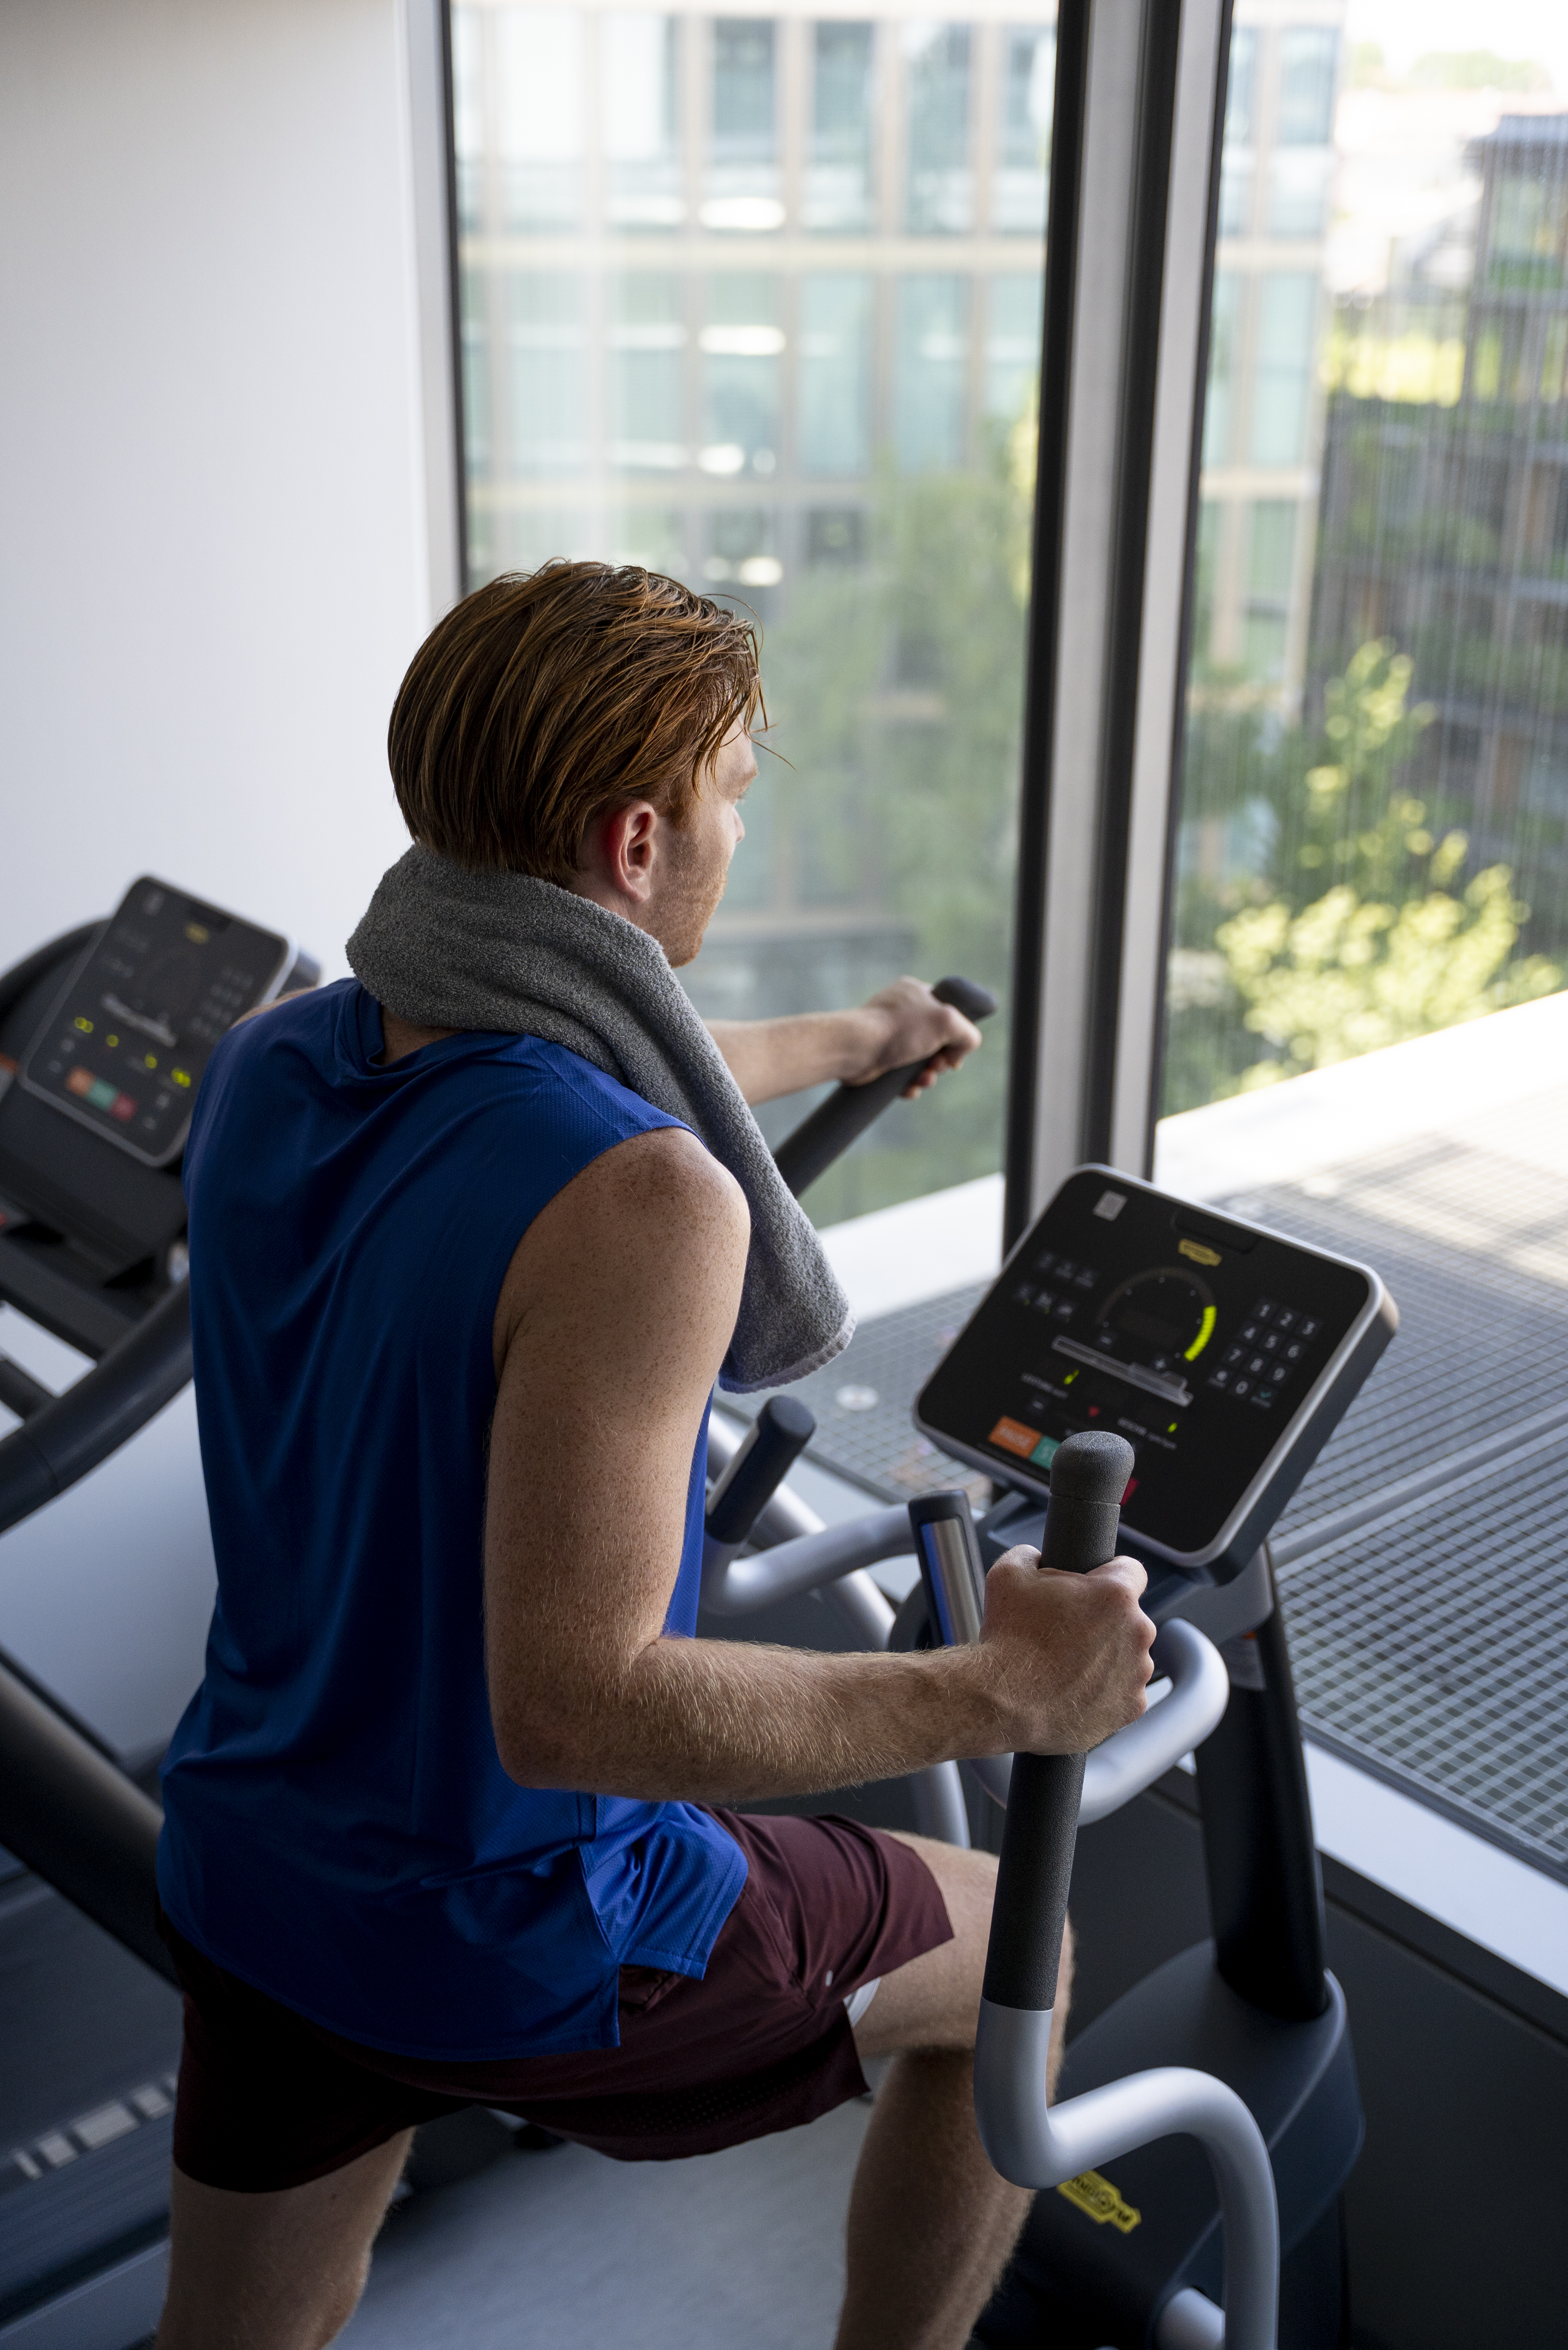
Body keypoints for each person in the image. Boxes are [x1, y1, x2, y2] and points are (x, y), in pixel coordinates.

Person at [153, 562, 1155, 2350]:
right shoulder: (648, 1204)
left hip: (257, 1867)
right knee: (1019, 1940)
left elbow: (572, 1051)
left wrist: (855, 1037)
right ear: (636, 845)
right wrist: (1000, 1686)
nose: (736, 831)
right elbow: (581, 1710)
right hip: (515, 1925)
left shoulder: (268, 1061)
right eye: (731, 798)